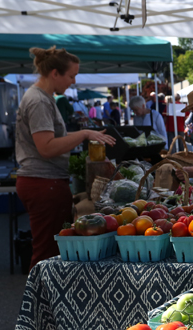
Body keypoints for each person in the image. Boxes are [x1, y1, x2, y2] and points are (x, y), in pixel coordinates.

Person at [15, 46, 116, 270]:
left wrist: (85, 134)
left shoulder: (44, 98)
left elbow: (53, 138)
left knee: (49, 249)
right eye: (71, 76)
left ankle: (44, 303)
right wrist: (84, 134)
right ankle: (38, 304)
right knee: (46, 253)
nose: (73, 81)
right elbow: (47, 148)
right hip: (43, 183)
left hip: (45, 182)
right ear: (55, 74)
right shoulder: (39, 101)